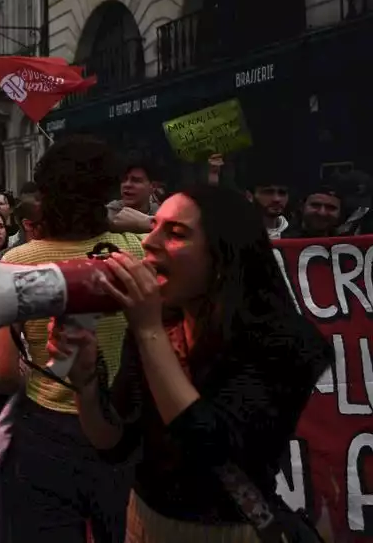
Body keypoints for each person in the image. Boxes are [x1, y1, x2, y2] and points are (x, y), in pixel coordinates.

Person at [51, 185, 331, 540]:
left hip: (228, 531)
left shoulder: (284, 342)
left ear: (223, 255)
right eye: (154, 227)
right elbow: (114, 444)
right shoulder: (160, 323)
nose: (150, 242)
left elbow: (207, 445)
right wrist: (86, 382)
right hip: (145, 523)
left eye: (176, 234)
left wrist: (148, 329)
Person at [0, 135, 143, 543]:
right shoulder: (137, 252)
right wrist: (147, 224)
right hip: (123, 422)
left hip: (45, 429)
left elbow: (5, 376)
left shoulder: (16, 262)